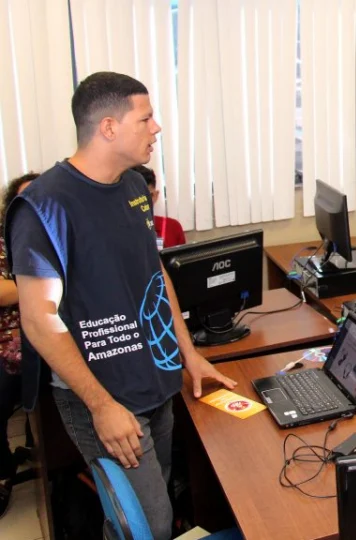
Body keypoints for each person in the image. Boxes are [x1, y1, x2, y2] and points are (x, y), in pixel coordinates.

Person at [5, 71, 236, 539]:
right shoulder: (43, 206)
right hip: (102, 396)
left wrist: (187, 354)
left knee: (156, 509)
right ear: (108, 127)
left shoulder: (133, 186)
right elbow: (38, 319)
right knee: (145, 525)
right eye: (146, 118)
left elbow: (155, 274)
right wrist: (101, 405)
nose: (157, 128)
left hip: (154, 379)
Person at [0, 173, 37, 518]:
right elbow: (3, 292)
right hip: (7, 343)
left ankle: (44, 448)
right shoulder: (4, 242)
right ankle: (2, 471)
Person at [133, 165, 186, 249]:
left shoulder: (172, 227)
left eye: (147, 196)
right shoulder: (120, 231)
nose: (142, 202)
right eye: (136, 197)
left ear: (155, 195)